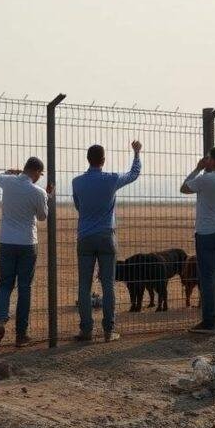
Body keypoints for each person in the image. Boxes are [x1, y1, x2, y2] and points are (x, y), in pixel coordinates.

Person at [72, 140, 142, 343]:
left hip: (85, 236)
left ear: (88, 159)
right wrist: (137, 153)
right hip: (106, 236)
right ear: (103, 160)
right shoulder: (111, 179)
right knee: (108, 285)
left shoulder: (77, 182)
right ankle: (109, 331)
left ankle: (86, 330)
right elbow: (133, 174)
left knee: (84, 286)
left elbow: (79, 205)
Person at [0, 156, 53, 348]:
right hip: (27, 243)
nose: (40, 178)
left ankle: (0, 321)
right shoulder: (38, 192)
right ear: (35, 171)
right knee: (25, 288)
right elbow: (42, 217)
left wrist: (11, 172)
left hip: (6, 241)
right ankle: (21, 334)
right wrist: (47, 197)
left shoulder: (7, 182)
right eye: (40, 174)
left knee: (5, 285)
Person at [180, 146, 215, 334]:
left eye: (207, 158)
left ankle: (209, 321)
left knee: (207, 277)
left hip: (206, 233)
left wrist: (197, 168)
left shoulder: (206, 179)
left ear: (212, 160)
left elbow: (184, 188)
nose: (205, 160)